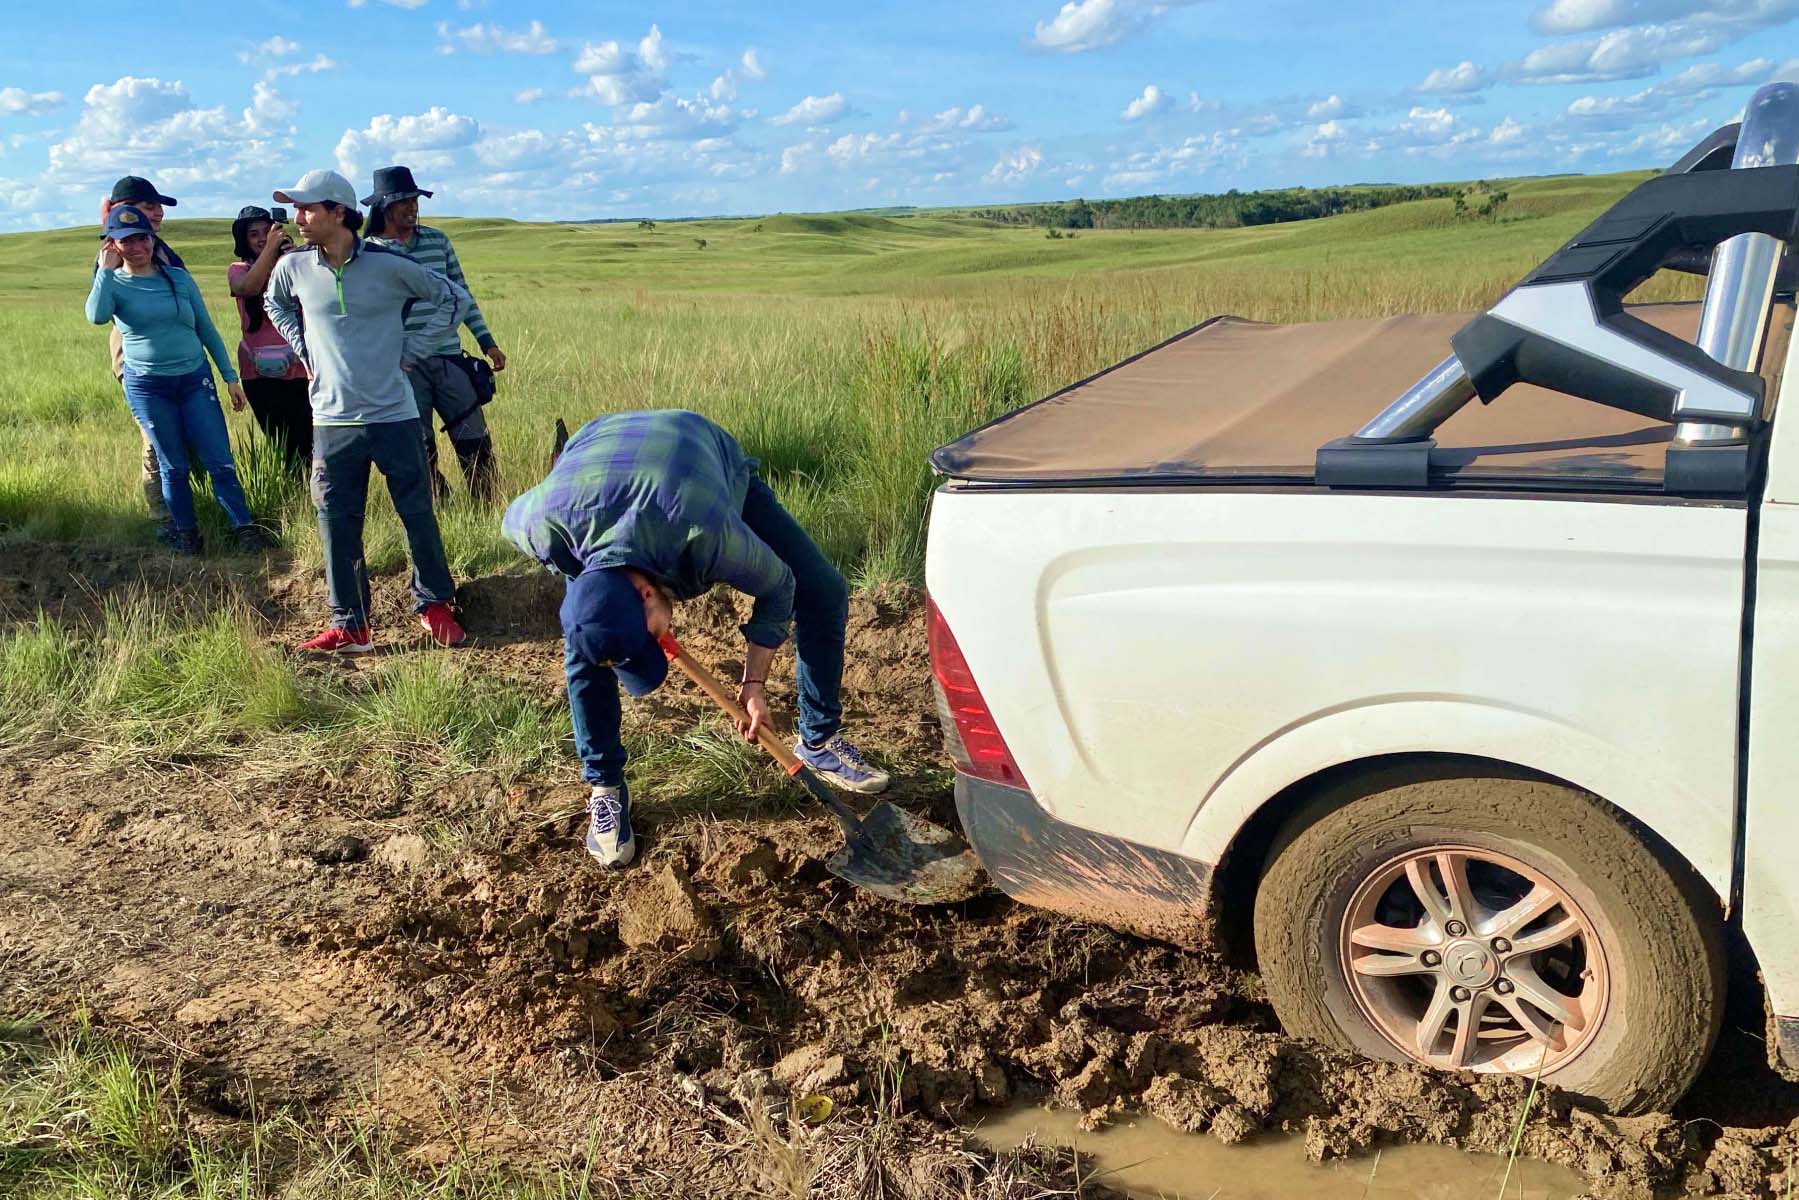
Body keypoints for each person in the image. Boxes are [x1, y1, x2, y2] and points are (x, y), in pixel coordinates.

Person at [501, 408, 891, 870]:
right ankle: (605, 786)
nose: (663, 642)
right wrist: (590, 581)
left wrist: (753, 685)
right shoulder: (538, 526)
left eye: (655, 633)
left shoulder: (705, 532)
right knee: (590, 633)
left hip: (697, 456)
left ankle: (819, 739)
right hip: (591, 470)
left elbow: (779, 585)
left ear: (648, 592)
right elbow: (513, 517)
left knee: (823, 589)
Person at [263, 169, 469, 653]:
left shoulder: (388, 263)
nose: (299, 218)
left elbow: (452, 299)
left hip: (394, 415)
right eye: (297, 208)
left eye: (308, 208)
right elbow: (275, 305)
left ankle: (434, 605)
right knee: (336, 521)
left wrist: (412, 351)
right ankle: (350, 624)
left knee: (417, 513)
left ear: (339, 212)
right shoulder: (292, 269)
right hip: (332, 421)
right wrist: (305, 351)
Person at [85, 204, 275, 556]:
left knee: (219, 458)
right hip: (148, 387)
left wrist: (230, 377)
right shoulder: (114, 284)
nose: (137, 247)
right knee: (173, 464)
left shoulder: (179, 279)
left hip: (193, 380)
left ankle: (244, 528)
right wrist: (106, 270)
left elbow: (206, 328)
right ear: (112, 245)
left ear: (153, 239)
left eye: (142, 238)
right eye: (125, 241)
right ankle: (187, 534)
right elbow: (96, 315)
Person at [364, 165, 507, 505]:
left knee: (474, 438)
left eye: (415, 200)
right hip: (402, 366)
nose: (412, 208)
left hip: (449, 358)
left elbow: (462, 292)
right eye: (404, 202)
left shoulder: (437, 241)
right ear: (384, 206)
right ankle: (437, 509)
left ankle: (486, 508)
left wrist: (487, 341)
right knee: (418, 446)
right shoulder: (369, 253)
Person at [96, 176, 184, 535]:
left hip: (176, 357)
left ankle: (178, 508)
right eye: (149, 206)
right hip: (140, 361)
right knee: (155, 437)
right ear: (123, 210)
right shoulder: (115, 252)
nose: (158, 212)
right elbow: (104, 308)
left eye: (157, 206)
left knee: (175, 436)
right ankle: (162, 518)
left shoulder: (155, 245)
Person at [228, 206, 312, 476]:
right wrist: (271, 250)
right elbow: (248, 288)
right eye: (254, 234)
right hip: (259, 372)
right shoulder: (238, 270)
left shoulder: (292, 262)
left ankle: (313, 494)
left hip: (300, 368)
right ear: (244, 239)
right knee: (280, 441)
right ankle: (291, 491)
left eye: (268, 232)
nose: (262, 238)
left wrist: (290, 253)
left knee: (308, 438)